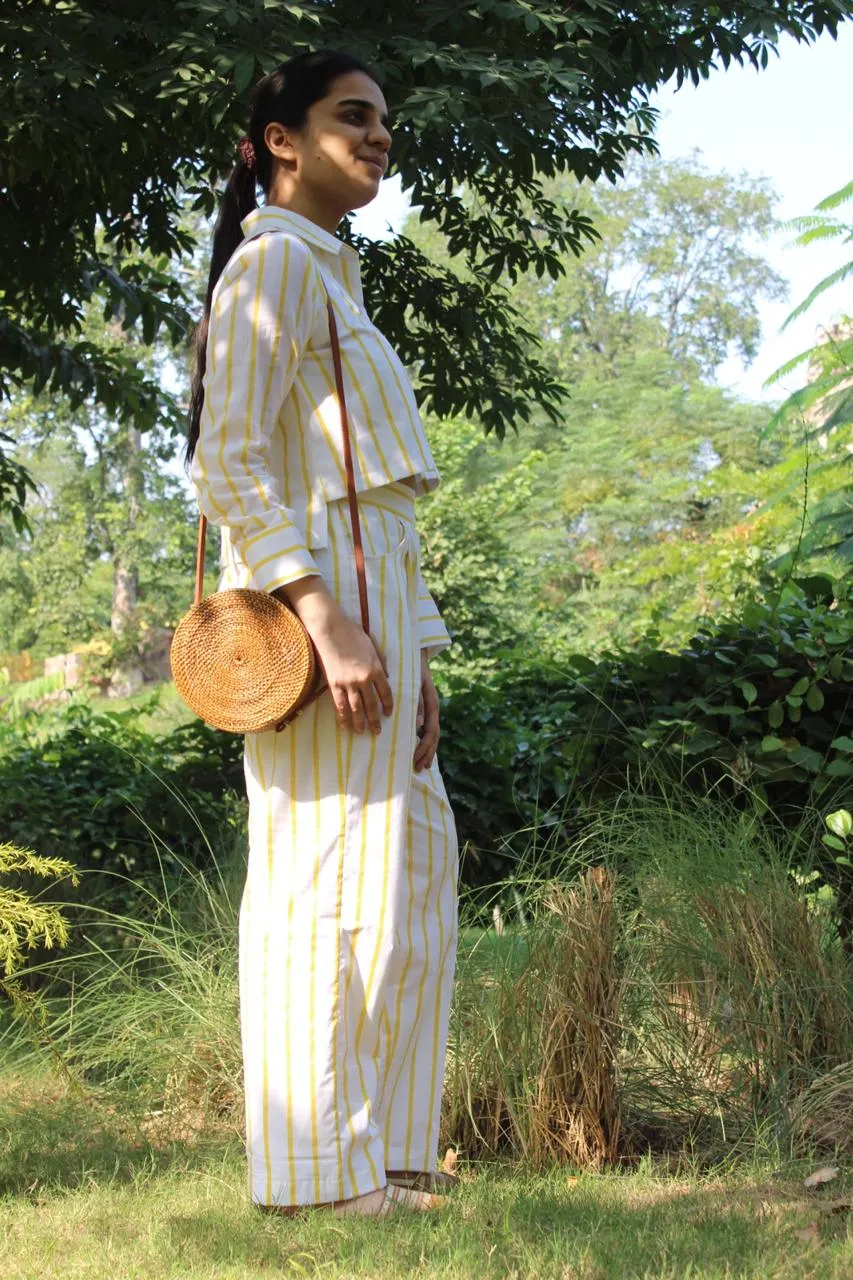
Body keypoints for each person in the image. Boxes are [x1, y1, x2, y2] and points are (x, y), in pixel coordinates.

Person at [185, 50, 459, 1219]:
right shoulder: (275, 267)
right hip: (326, 616)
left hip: (378, 602)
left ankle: (387, 1154)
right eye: (354, 116)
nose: (380, 134)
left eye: (386, 120)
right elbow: (226, 460)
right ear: (280, 141)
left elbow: (371, 494)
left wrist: (420, 643)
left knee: (412, 875)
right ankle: (311, 1177)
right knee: (321, 881)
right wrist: (326, 619)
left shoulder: (332, 276)